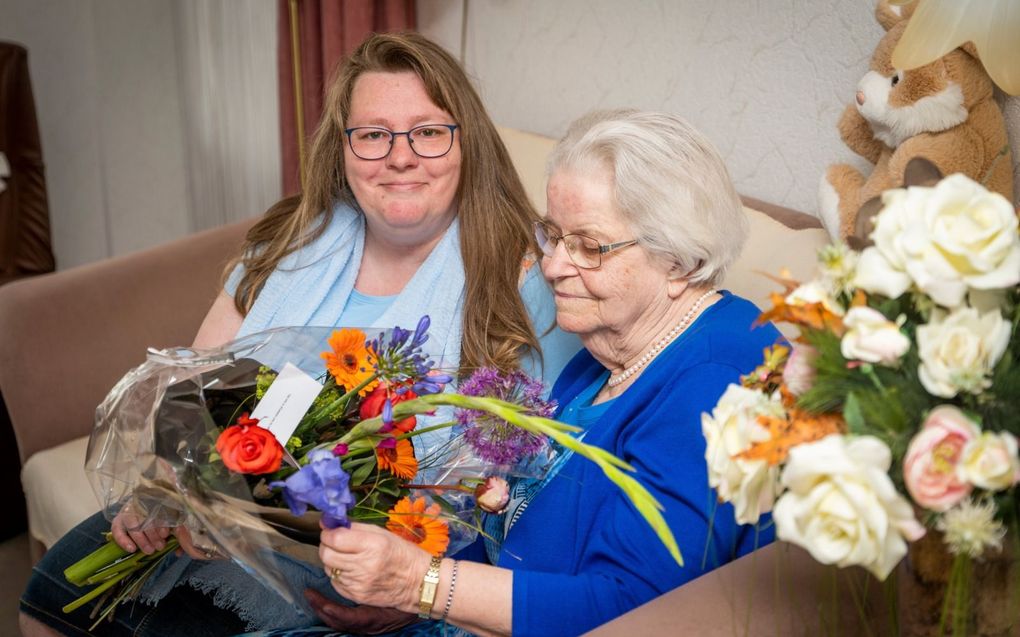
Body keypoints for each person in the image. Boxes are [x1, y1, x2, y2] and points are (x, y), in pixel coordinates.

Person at [19, 32, 580, 637]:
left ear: (467, 143)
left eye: (428, 131)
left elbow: (537, 481)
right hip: (216, 511)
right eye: (372, 134)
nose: (400, 157)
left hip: (362, 560)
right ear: (342, 149)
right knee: (47, 599)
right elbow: (196, 386)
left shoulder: (527, 275)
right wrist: (164, 493)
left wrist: (418, 582)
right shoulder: (294, 241)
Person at [289, 109, 781, 636]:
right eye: (552, 234)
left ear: (680, 261)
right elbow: (516, 526)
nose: (551, 265)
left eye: (589, 246)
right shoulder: (607, 351)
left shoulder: (722, 380)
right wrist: (416, 601)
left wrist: (421, 583)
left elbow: (632, 607)